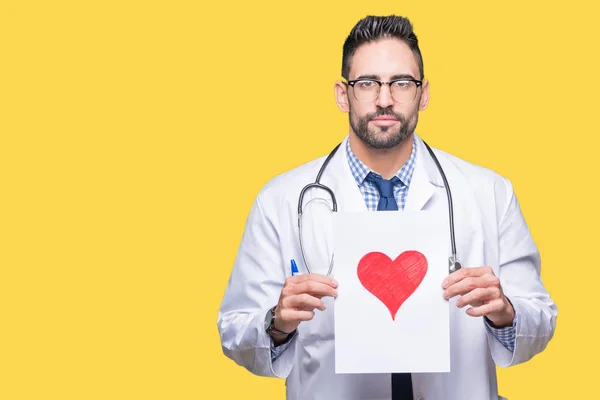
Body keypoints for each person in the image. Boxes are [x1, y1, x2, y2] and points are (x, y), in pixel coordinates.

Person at [217, 15, 557, 400]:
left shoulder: (490, 192)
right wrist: (277, 324)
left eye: (401, 83)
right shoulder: (280, 200)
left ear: (423, 93)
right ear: (342, 94)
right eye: (367, 83)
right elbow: (234, 332)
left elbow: (541, 321)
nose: (384, 99)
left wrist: (506, 313)